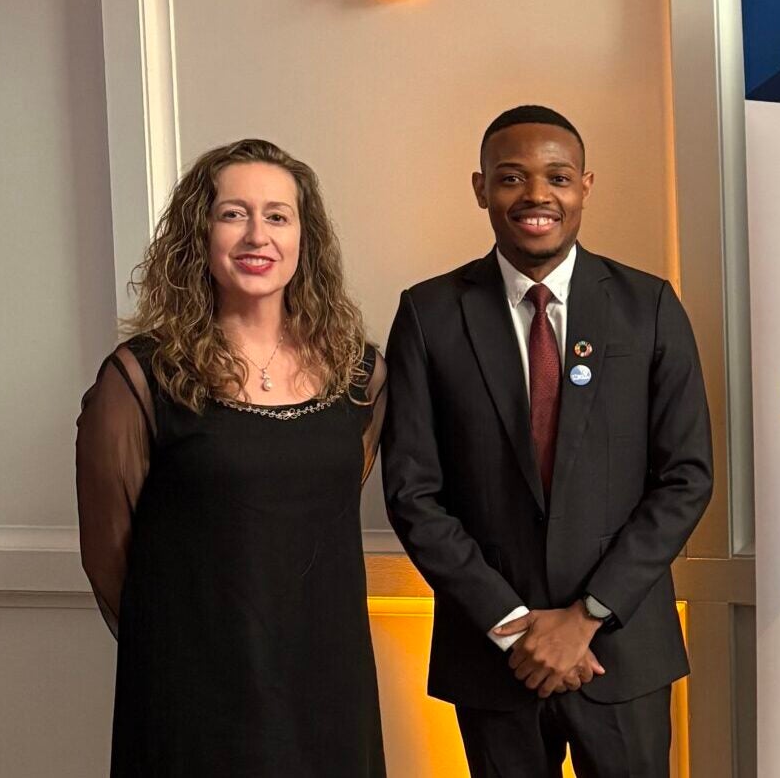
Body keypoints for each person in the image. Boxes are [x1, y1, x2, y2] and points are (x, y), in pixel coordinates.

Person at [382, 105, 713, 778]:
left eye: (557, 177)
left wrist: (584, 618)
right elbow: (413, 494)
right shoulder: (430, 313)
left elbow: (686, 477)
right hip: (492, 656)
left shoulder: (647, 305)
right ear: (480, 189)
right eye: (511, 177)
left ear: (585, 186)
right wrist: (513, 626)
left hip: (621, 651)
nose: (537, 195)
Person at [75, 138, 387, 776]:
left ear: (305, 238)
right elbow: (109, 555)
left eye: (277, 216)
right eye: (232, 213)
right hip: (193, 690)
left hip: (327, 681)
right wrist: (174, 648)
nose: (256, 235)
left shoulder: (363, 375)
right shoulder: (139, 378)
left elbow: (324, 509)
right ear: (201, 233)